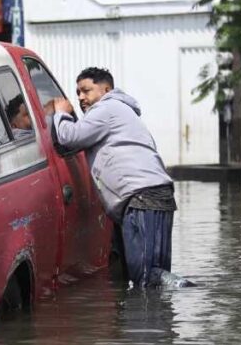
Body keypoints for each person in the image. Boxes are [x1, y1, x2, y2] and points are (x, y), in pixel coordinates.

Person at [51, 67, 190, 288]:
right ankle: (159, 318)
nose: (80, 97)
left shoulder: (106, 109)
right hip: (155, 195)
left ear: (106, 89)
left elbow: (70, 137)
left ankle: (186, 289)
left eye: (86, 90)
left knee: (145, 276)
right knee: (153, 275)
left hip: (141, 198)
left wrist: (60, 113)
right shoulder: (123, 112)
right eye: (77, 92)